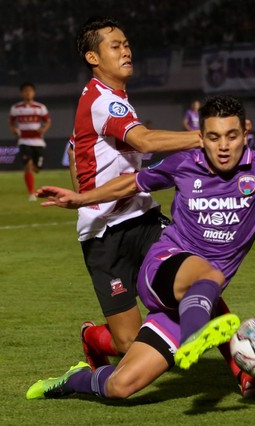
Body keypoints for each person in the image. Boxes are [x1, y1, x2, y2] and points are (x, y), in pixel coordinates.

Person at [27, 86, 255, 401]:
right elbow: (130, 183)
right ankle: (199, 335)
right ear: (202, 136)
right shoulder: (185, 164)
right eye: (212, 137)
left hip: (189, 301)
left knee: (122, 386)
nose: (222, 146)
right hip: (164, 266)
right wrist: (82, 198)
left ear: (246, 132)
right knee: (207, 272)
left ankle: (76, 380)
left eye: (230, 136)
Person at [66, 16, 201, 371]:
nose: (126, 51)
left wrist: (85, 184)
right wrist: (207, 137)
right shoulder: (102, 101)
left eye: (126, 44)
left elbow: (72, 148)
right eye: (115, 46)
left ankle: (241, 366)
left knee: (195, 278)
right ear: (93, 58)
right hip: (104, 233)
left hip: (143, 218)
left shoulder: (111, 99)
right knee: (128, 342)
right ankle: (93, 337)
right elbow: (144, 140)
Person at [8, 82, 51, 201]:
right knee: (28, 165)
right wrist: (14, 130)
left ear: (34, 93)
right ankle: (31, 193)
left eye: (30, 90)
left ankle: (36, 167)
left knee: (37, 168)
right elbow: (11, 122)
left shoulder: (40, 107)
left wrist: (43, 129)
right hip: (24, 141)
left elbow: (47, 121)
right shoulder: (16, 108)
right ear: (22, 93)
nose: (28, 93)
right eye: (25, 91)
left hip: (38, 142)